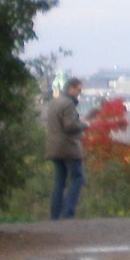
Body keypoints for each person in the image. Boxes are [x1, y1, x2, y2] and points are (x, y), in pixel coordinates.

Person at [45, 77, 88, 220]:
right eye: (78, 90)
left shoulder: (54, 102)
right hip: (67, 146)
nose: (79, 93)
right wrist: (84, 125)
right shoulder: (68, 104)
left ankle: (55, 214)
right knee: (78, 177)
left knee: (60, 181)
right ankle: (67, 212)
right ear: (71, 88)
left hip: (53, 146)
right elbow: (70, 125)